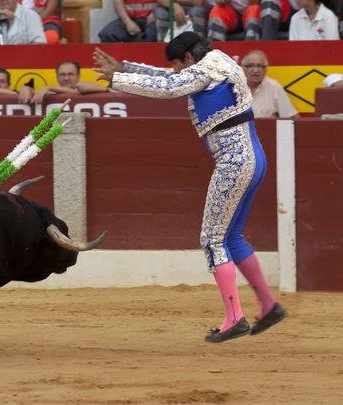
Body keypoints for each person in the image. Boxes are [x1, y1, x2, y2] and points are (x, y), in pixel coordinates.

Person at [93, 32, 287, 343]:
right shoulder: (216, 60)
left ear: (188, 58)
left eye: (179, 64)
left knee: (212, 239)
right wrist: (125, 68)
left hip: (234, 161)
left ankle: (235, 317)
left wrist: (118, 79)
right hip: (254, 157)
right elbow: (172, 77)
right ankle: (267, 306)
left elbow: (171, 86)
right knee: (231, 237)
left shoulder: (203, 70)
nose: (179, 70)